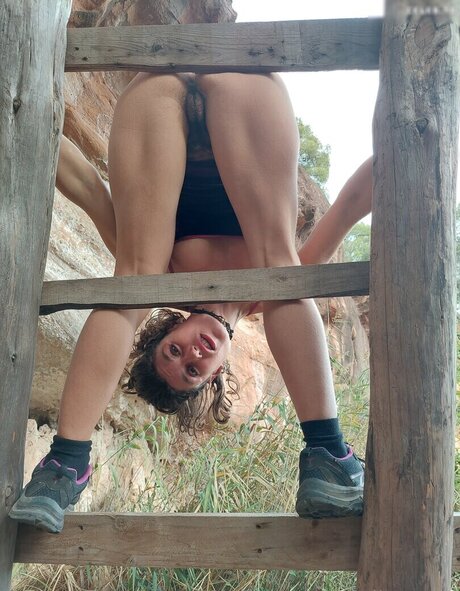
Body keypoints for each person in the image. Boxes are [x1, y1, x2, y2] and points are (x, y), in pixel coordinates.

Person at [9, 72, 372, 533]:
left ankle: (65, 464)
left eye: (174, 352)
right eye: (194, 369)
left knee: (133, 280)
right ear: (218, 371)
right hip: (240, 85)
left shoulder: (160, 274)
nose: (194, 353)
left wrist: (19, 108)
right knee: (282, 274)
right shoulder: (275, 297)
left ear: (168, 329)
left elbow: (85, 187)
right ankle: (327, 453)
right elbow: (349, 206)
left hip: (158, 87)